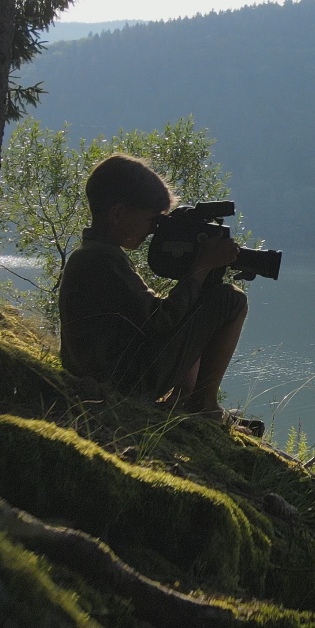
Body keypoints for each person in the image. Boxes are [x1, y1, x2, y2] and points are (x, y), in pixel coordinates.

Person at [58, 153, 251, 425]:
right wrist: (201, 268)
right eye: (151, 220)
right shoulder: (102, 259)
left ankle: (185, 396)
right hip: (125, 383)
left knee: (208, 298)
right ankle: (203, 405)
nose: (152, 231)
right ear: (118, 213)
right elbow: (162, 320)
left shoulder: (94, 254)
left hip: (111, 375)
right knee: (230, 299)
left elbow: (148, 320)